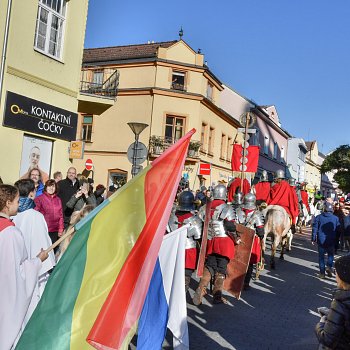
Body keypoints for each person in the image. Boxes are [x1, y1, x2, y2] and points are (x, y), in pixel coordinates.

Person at [0, 184, 48, 349]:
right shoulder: (10, 234)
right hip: (5, 295)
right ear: (7, 203)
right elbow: (17, 273)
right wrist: (38, 261)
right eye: (15, 201)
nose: (18, 204)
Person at [12, 179, 56, 327]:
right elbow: (43, 246)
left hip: (15, 272)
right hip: (35, 271)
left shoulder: (11, 215)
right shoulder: (35, 216)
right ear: (32, 193)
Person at [193, 184, 237, 305]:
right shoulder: (227, 208)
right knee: (221, 268)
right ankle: (217, 296)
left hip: (210, 240)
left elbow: (199, 224)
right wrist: (236, 238)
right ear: (224, 194)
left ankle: (201, 289)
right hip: (224, 241)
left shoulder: (205, 207)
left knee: (210, 265)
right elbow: (230, 226)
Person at [168, 191, 202, 293]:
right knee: (185, 277)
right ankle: (181, 299)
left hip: (173, 250)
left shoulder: (170, 218)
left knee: (172, 276)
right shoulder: (195, 220)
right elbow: (198, 237)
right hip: (188, 251)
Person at [315, 254, 350, 349]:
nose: (335, 276)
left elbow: (327, 339)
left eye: (336, 272)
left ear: (343, 277)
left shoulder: (340, 303)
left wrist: (321, 323)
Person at [234, 193, 265, 290]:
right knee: (249, 262)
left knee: (237, 260)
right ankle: (246, 283)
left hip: (239, 237)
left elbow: (234, 225)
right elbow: (260, 230)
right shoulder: (257, 214)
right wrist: (261, 236)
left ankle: (235, 281)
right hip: (251, 240)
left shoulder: (237, 211)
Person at [312, 202, 341, 279]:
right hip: (331, 240)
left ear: (324, 208)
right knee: (331, 255)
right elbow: (338, 230)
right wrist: (337, 240)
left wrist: (313, 238)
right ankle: (329, 266)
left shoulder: (319, 217)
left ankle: (322, 274)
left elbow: (315, 228)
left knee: (321, 257)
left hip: (321, 240)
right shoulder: (336, 218)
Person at [34, 179, 64, 250]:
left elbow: (60, 215)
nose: (51, 188)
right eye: (49, 186)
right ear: (46, 187)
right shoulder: (39, 199)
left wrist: (60, 229)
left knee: (53, 250)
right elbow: (35, 214)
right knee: (44, 250)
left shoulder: (58, 200)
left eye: (53, 186)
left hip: (55, 231)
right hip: (44, 229)